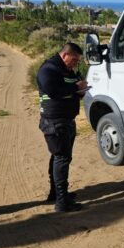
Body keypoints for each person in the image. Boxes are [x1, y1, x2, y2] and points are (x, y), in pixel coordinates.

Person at [36, 42, 87, 212]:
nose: (75, 63)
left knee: (59, 156)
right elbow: (52, 89)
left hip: (65, 120)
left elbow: (72, 88)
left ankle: (57, 194)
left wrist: (80, 90)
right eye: (74, 60)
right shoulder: (48, 69)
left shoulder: (67, 70)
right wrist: (75, 88)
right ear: (65, 55)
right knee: (62, 158)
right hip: (55, 122)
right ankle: (62, 202)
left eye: (77, 61)